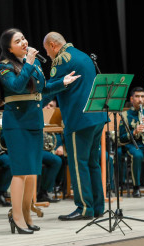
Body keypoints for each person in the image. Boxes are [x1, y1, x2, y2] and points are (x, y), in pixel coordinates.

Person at [0, 28, 79, 234]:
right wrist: (29, 64)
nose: (24, 42)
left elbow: (42, 89)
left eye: (24, 38)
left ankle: (27, 214)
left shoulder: (34, 63)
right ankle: (16, 217)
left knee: (32, 172)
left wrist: (62, 83)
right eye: (18, 41)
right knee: (20, 172)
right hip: (16, 122)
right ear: (9, 48)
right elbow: (16, 86)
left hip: (34, 120)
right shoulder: (5, 67)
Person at [43, 32, 107, 220]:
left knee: (79, 165)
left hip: (79, 120)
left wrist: (34, 103)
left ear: (53, 45)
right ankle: (97, 207)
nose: (48, 55)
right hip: (96, 116)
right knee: (92, 163)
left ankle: (84, 208)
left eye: (47, 51)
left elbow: (52, 87)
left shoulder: (62, 59)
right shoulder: (83, 55)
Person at [119, 87, 144, 198]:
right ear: (131, 99)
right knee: (137, 155)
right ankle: (136, 187)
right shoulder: (125, 115)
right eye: (137, 96)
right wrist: (134, 132)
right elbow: (121, 138)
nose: (140, 99)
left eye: (143, 97)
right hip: (133, 144)